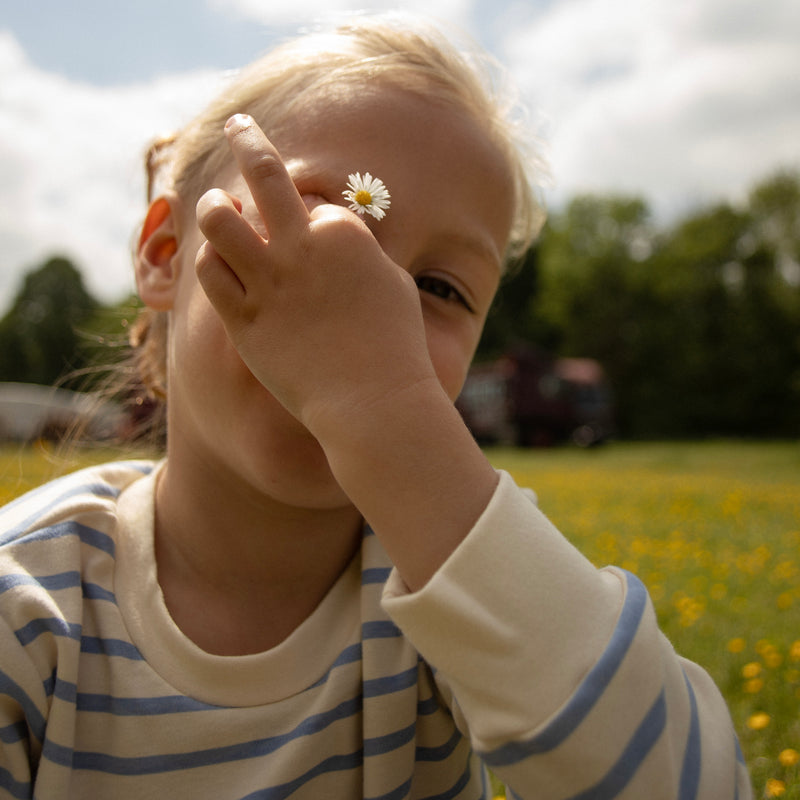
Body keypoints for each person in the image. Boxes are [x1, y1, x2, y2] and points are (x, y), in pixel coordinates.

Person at [0, 14, 751, 799]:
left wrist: (388, 409)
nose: (372, 310)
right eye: (311, 218)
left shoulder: (451, 561)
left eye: (439, 289)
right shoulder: (25, 602)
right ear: (165, 254)